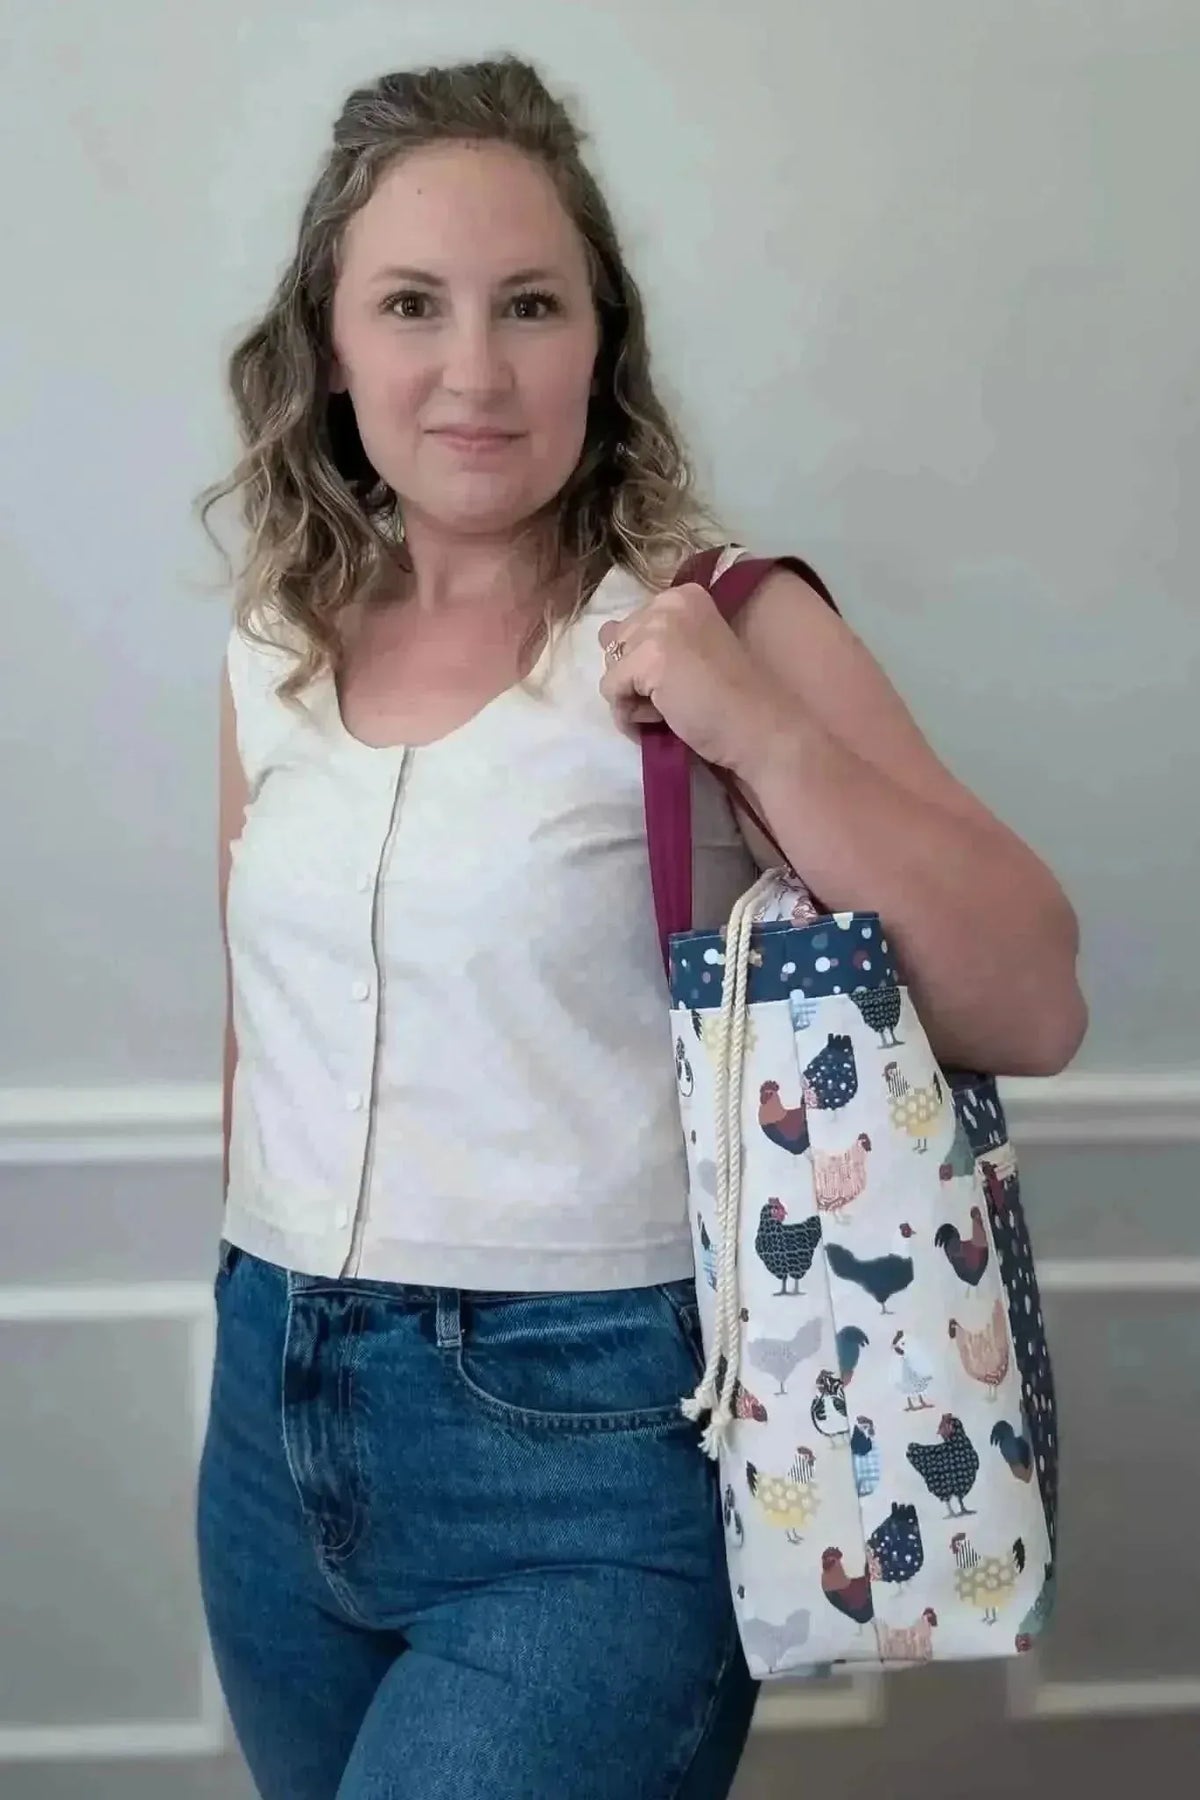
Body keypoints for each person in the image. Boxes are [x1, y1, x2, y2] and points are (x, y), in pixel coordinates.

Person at [196, 54, 1086, 1800]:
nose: (473, 369)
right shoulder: (274, 646)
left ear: (602, 340)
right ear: (331, 345)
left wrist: (756, 729)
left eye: (530, 303)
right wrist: (248, 1308)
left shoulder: (714, 621)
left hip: (590, 1461)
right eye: (412, 304)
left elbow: (1033, 993)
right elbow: (256, 1033)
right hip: (271, 1429)